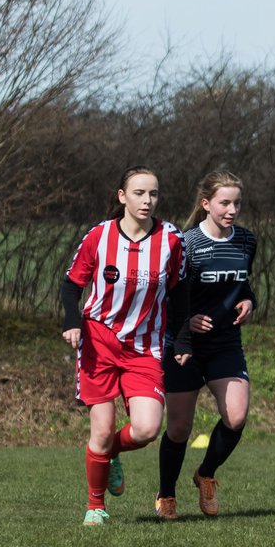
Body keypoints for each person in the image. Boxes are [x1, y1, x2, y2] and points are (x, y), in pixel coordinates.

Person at [61, 165, 187, 525]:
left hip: (144, 349)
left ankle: (109, 454)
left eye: (154, 194)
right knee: (100, 429)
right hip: (98, 342)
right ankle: (95, 506)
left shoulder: (171, 240)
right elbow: (72, 285)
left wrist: (182, 337)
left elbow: (180, 293)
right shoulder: (99, 237)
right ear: (122, 197)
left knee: (147, 429)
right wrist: (72, 322)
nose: (147, 201)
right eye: (139, 193)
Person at [155, 171, 257, 520]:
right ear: (206, 204)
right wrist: (188, 323)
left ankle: (206, 474)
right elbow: (165, 297)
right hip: (184, 346)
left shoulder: (246, 241)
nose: (232, 209)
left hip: (226, 343)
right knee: (180, 428)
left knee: (237, 415)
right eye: (224, 202)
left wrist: (248, 301)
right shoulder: (185, 244)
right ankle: (166, 495)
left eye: (237, 203)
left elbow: (241, 284)